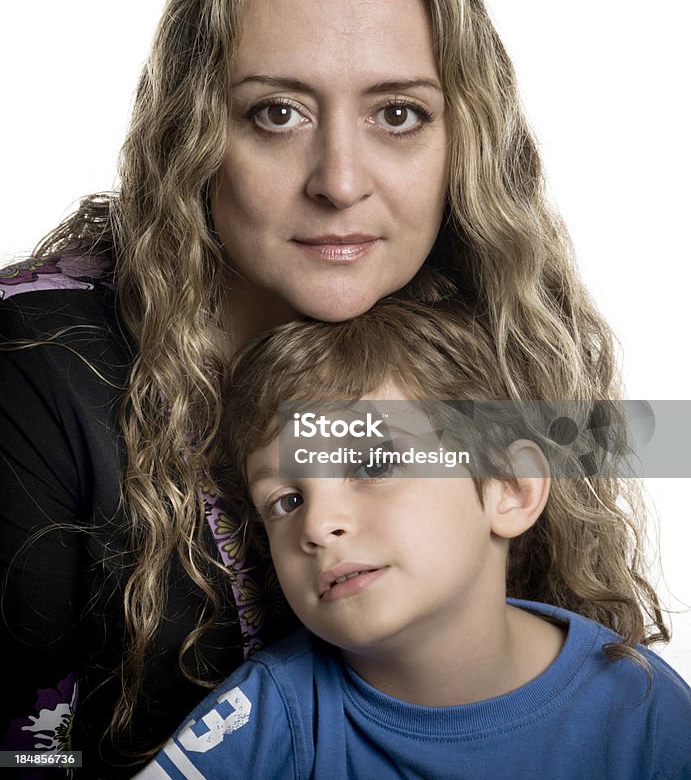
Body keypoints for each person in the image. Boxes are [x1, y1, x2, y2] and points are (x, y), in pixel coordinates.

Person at [1, 0, 619, 775]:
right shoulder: (38, 370)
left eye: (397, 114)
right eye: (276, 113)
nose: (337, 179)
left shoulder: (499, 337)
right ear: (194, 133)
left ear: (465, 144)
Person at [135, 299, 688, 780]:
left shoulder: (639, 706)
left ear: (510, 490)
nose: (317, 524)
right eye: (288, 500)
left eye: (374, 466)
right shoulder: (266, 716)